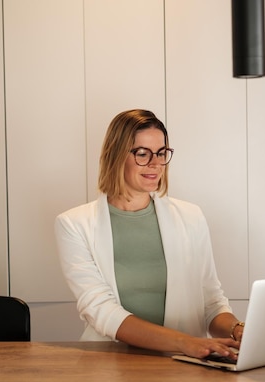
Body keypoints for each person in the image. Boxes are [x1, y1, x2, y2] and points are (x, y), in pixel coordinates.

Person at [54, 109, 243, 360]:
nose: (155, 163)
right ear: (116, 155)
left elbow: (211, 301)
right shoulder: (74, 224)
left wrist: (237, 329)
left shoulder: (191, 216)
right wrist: (185, 342)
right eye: (142, 154)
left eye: (162, 153)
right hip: (109, 362)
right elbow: (101, 311)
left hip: (183, 363)